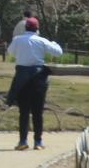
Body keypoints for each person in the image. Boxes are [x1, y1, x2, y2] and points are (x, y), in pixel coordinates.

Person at [6, 16, 63, 151]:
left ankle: (22, 141)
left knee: (24, 111)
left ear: (25, 28)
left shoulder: (17, 40)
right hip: (38, 77)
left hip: (21, 77)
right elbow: (59, 52)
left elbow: (10, 52)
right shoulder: (42, 41)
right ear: (37, 29)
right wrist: (54, 43)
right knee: (38, 111)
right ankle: (38, 141)